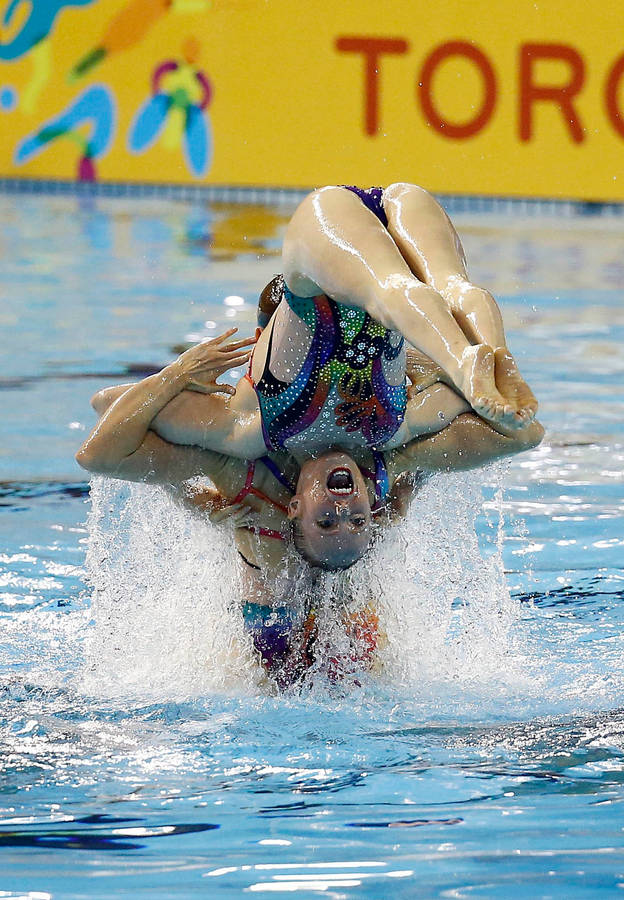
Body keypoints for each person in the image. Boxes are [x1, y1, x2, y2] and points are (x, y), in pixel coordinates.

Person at [76, 329, 543, 685]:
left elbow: (107, 419)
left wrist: (177, 379)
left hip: (292, 637)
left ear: (295, 507)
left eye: (329, 517)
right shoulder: (377, 479)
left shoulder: (251, 476)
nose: (344, 505)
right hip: (334, 632)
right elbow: (519, 431)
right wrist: (436, 378)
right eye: (355, 517)